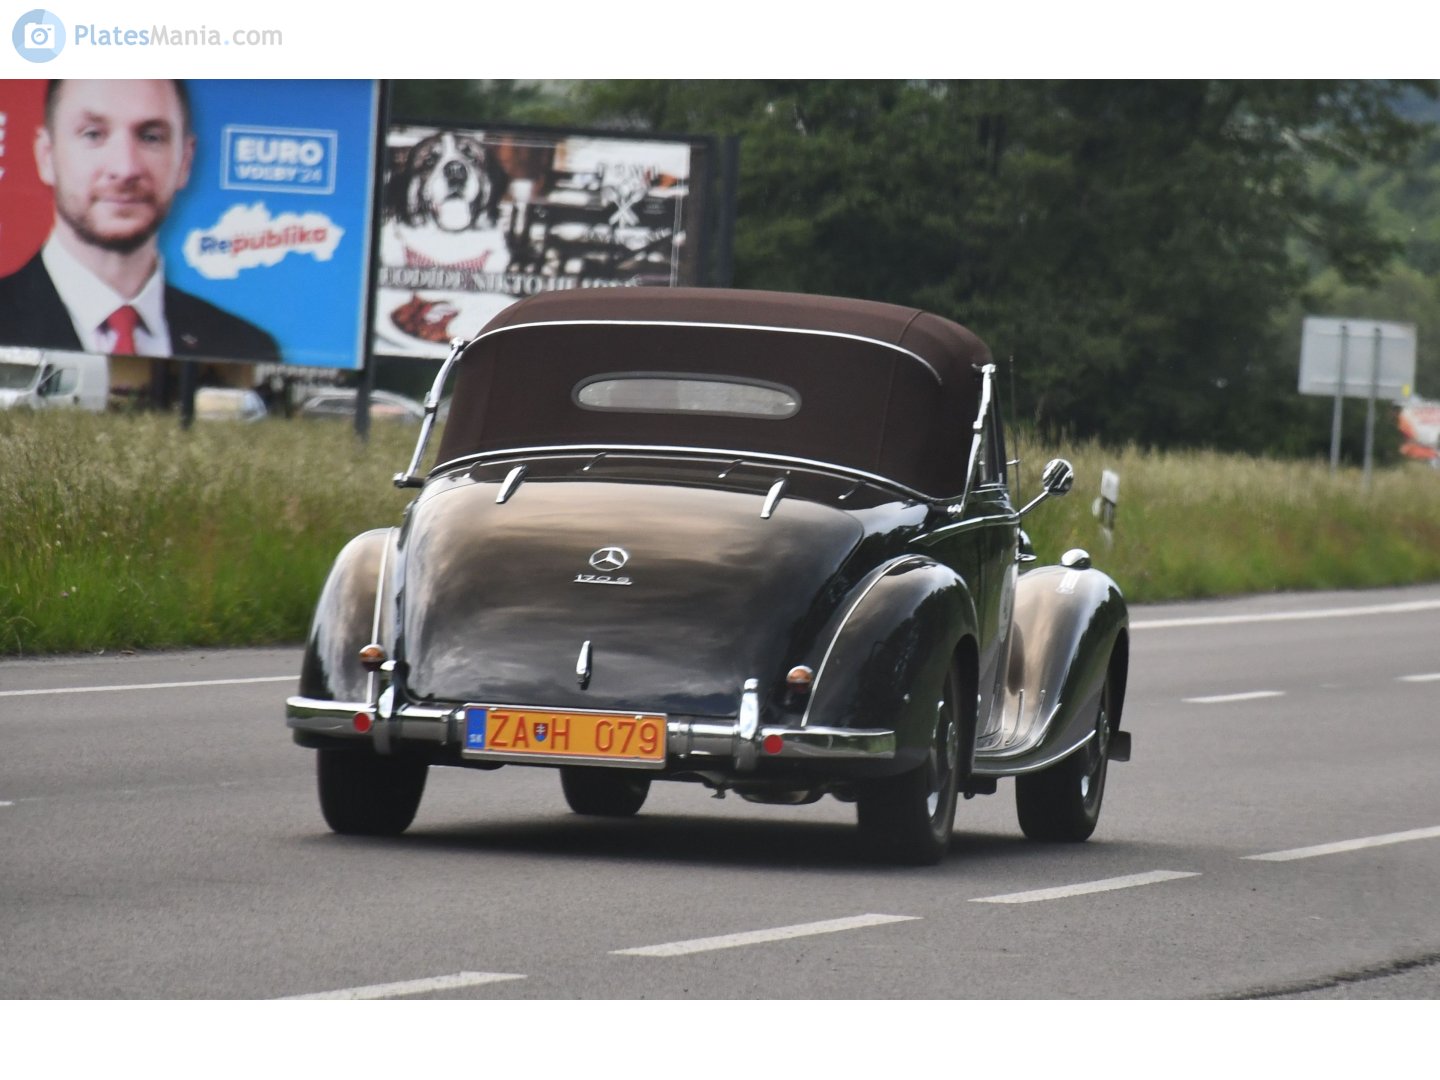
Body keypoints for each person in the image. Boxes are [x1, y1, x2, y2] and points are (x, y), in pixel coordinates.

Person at [0, 79, 279, 362]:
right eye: (93, 134)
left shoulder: (245, 347)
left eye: (151, 137)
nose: (126, 168)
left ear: (185, 161)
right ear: (47, 156)